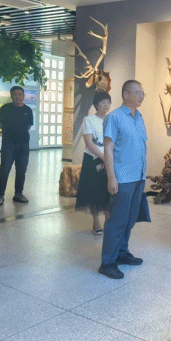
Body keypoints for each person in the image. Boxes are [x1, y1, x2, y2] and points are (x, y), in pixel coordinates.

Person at [99, 80, 147, 280]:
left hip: (138, 177)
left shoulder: (139, 117)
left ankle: (122, 252)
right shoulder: (114, 117)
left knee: (130, 219)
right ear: (126, 94)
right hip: (122, 178)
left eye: (142, 93)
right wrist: (111, 177)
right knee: (117, 221)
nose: (141, 96)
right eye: (138, 92)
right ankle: (107, 262)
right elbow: (108, 149)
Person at [76, 92, 112, 235]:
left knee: (108, 191)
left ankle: (108, 219)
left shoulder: (111, 120)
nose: (106, 105)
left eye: (108, 102)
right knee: (94, 192)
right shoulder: (89, 120)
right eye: (103, 102)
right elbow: (89, 143)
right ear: (96, 105)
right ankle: (96, 221)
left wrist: (109, 158)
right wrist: (104, 158)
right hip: (93, 159)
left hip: (109, 159)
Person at [0, 86, 33, 205]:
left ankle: (18, 194)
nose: (18, 97)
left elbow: (28, 126)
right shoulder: (5, 108)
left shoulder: (28, 110)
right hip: (8, 144)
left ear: (24, 96)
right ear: (11, 96)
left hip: (23, 145)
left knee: (21, 170)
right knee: (4, 170)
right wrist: (8, 131)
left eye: (20, 94)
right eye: (15, 94)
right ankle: (0, 195)